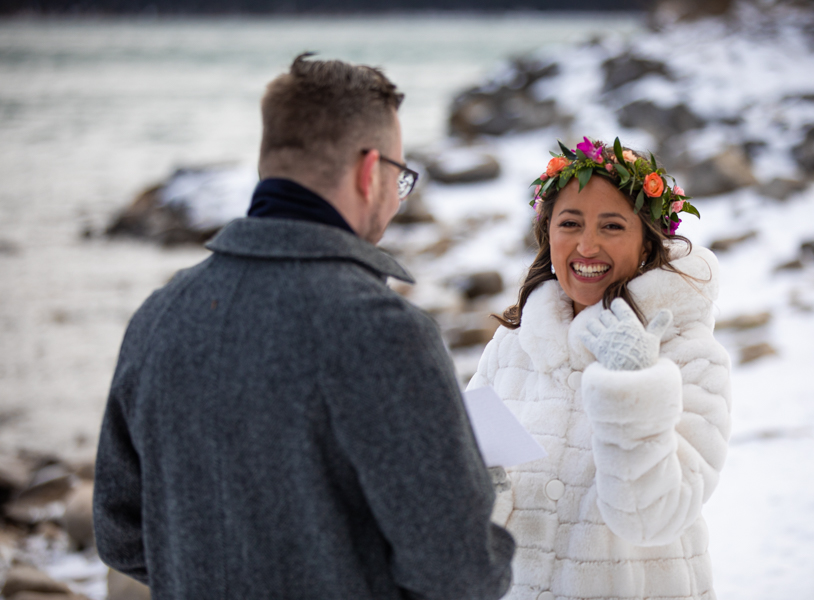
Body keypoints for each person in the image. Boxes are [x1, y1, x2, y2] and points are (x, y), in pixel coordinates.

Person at [93, 54, 515, 600]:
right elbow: (460, 571)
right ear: (370, 173)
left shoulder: (159, 315)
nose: (396, 197)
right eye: (399, 178)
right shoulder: (384, 333)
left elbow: (119, 535)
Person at [467, 137, 731, 600]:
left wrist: (634, 387)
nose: (587, 246)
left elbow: (654, 518)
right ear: (547, 232)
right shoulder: (513, 345)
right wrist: (477, 491)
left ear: (648, 240)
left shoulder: (691, 354)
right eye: (570, 223)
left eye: (612, 226)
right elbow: (477, 524)